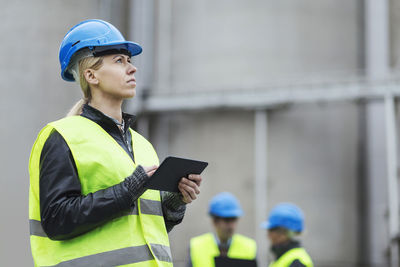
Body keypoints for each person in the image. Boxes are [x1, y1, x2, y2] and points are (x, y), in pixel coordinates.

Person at [28, 19, 202, 267]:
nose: (132, 68)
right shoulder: (63, 135)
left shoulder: (142, 145)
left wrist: (175, 205)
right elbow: (57, 220)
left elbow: (141, 229)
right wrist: (127, 190)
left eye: (129, 61)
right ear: (91, 75)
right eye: (119, 61)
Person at [188, 192, 257, 267]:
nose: (231, 226)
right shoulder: (197, 246)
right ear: (215, 221)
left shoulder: (249, 247)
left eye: (234, 220)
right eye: (227, 220)